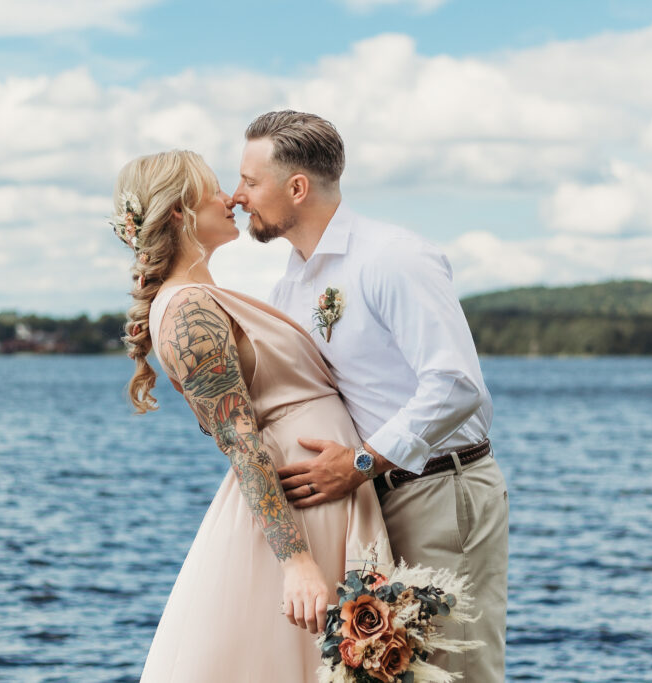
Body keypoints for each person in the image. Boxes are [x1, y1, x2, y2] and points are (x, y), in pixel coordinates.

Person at [233, 110, 510, 681]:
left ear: (297, 187)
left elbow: (456, 385)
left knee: (457, 667)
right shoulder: (291, 283)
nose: (238, 196)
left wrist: (360, 463)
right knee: (391, 674)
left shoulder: (392, 258)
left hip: (438, 491)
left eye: (250, 181)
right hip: (367, 503)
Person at [110, 150, 391, 682]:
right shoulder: (189, 310)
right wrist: (297, 563)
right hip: (297, 512)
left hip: (321, 495)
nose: (231, 197)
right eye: (215, 187)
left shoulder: (209, 297)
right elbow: (240, 440)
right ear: (178, 211)